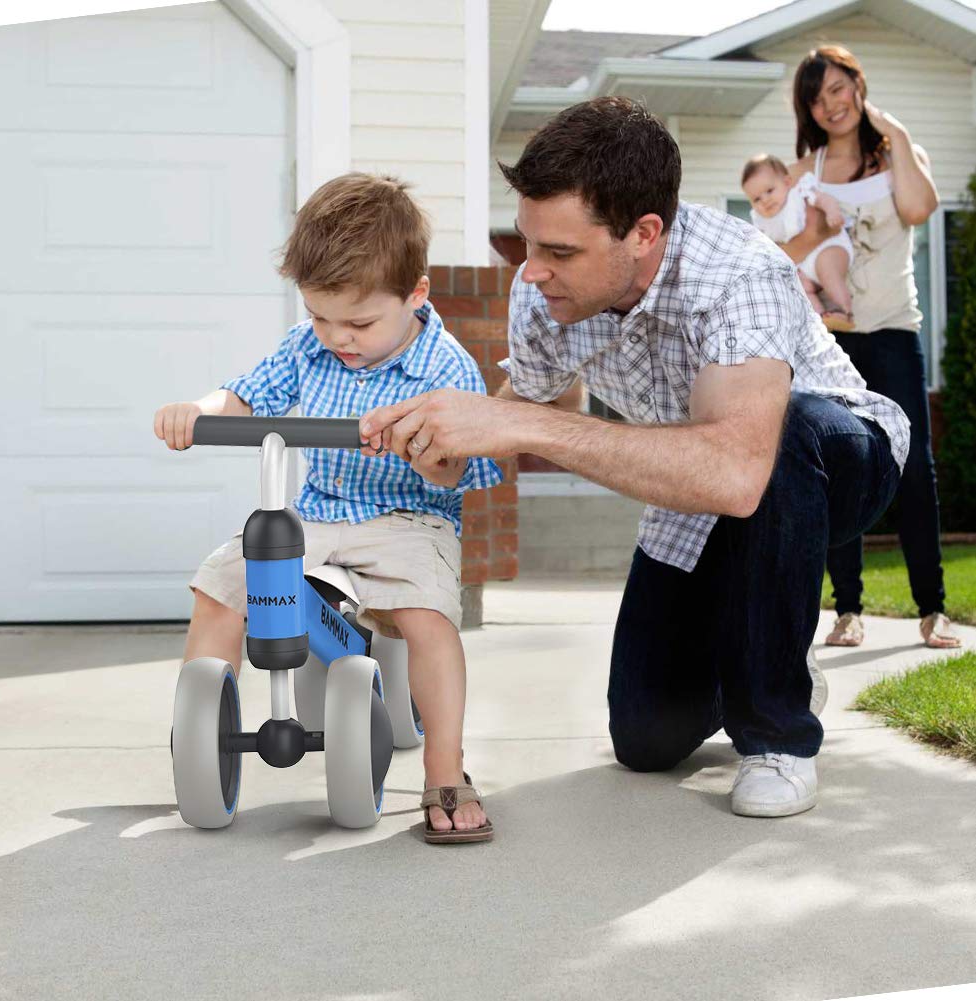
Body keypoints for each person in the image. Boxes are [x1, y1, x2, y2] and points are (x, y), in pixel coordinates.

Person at [359, 97, 910, 818]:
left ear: (643, 233)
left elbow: (737, 473)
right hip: (698, 491)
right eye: (528, 243)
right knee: (646, 737)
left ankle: (779, 734)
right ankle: (771, 647)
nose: (532, 272)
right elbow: (503, 422)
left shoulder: (739, 273)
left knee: (786, 428)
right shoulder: (545, 295)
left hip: (836, 460)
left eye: (559, 252)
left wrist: (526, 426)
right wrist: (436, 443)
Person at [153, 173, 502, 844]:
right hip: (318, 511)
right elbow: (247, 394)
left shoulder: (446, 367)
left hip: (408, 520)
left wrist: (422, 448)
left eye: (360, 322)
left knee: (427, 617)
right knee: (222, 584)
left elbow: (457, 470)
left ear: (416, 294)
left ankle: (444, 767)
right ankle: (201, 732)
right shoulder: (306, 345)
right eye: (319, 316)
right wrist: (197, 412)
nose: (337, 336)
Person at [783, 45, 960, 650]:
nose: (831, 104)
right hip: (833, 343)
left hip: (892, 330)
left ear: (858, 86)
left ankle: (933, 610)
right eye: (817, 96)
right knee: (843, 468)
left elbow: (917, 207)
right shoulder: (806, 171)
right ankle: (848, 611)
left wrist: (899, 132)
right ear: (807, 108)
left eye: (839, 89)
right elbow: (790, 249)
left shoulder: (898, 155)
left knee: (914, 470)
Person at [741, 153, 855, 330]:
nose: (765, 200)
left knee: (828, 270)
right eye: (756, 199)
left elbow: (823, 199)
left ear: (786, 183)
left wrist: (832, 212)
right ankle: (818, 318)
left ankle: (844, 310)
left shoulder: (799, 194)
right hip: (803, 264)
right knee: (800, 285)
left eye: (769, 191)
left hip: (830, 247)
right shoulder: (760, 221)